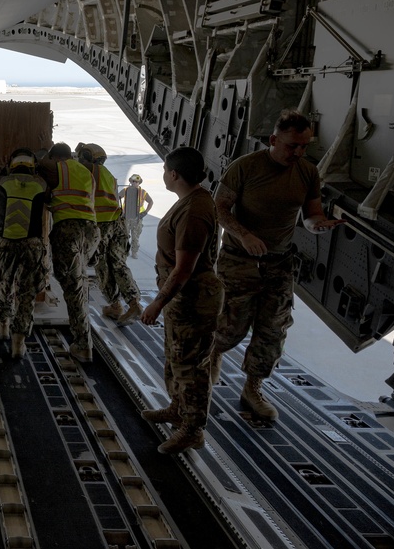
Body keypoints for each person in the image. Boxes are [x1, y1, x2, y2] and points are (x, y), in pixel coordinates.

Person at [210, 110, 346, 422]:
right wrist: (244, 235)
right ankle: (213, 355)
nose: (298, 153)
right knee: (230, 327)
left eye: (304, 147)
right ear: (273, 140)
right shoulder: (245, 168)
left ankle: (253, 388)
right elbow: (219, 209)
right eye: (291, 146)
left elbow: (310, 216)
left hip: (279, 263)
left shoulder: (308, 172)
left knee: (273, 331)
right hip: (239, 261)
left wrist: (319, 225)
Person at [139, 147, 223, 454]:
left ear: (174, 174)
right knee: (177, 358)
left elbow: (184, 268)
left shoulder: (194, 211)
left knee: (191, 366)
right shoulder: (190, 202)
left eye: (165, 170)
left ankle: (192, 429)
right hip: (183, 299)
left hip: (192, 299)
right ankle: (178, 409)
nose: (163, 175)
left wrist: (156, 304)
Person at [37, 142, 99, 362]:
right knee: (77, 282)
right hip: (91, 230)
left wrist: (43, 150)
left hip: (70, 230)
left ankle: (83, 344)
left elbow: (40, 163)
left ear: (56, 156)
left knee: (73, 287)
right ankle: (83, 340)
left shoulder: (58, 167)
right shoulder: (84, 172)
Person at [0, 148, 49, 358]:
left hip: (5, 242)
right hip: (31, 244)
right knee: (26, 293)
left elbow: (0, 178)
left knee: (4, 284)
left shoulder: (2, 182)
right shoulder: (40, 184)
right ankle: (18, 342)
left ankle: (3, 325)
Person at [79, 143, 141, 325]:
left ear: (91, 158)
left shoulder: (92, 170)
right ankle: (133, 302)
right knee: (118, 264)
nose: (80, 160)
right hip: (118, 223)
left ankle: (115, 305)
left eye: (83, 156)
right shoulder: (109, 176)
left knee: (102, 266)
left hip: (102, 224)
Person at [121, 174, 153, 259]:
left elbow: (150, 202)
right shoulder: (125, 190)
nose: (135, 183)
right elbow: (117, 197)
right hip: (127, 217)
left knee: (135, 237)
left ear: (139, 183)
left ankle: (134, 252)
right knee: (125, 235)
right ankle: (125, 251)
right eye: (133, 181)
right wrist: (120, 210)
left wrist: (145, 212)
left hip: (137, 218)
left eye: (136, 182)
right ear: (131, 182)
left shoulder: (143, 192)